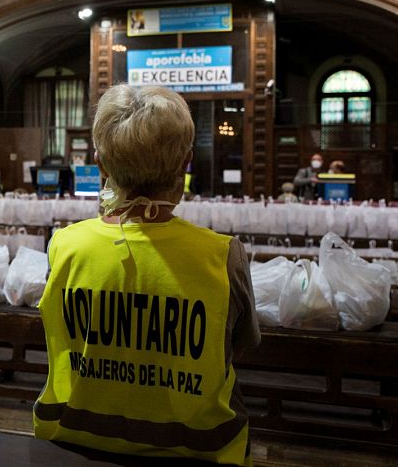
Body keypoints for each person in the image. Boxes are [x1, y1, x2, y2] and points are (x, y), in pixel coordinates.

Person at [33, 85, 260, 466]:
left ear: (101, 165)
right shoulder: (222, 255)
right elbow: (242, 345)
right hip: (197, 447)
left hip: (76, 438)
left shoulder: (65, 245)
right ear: (186, 162)